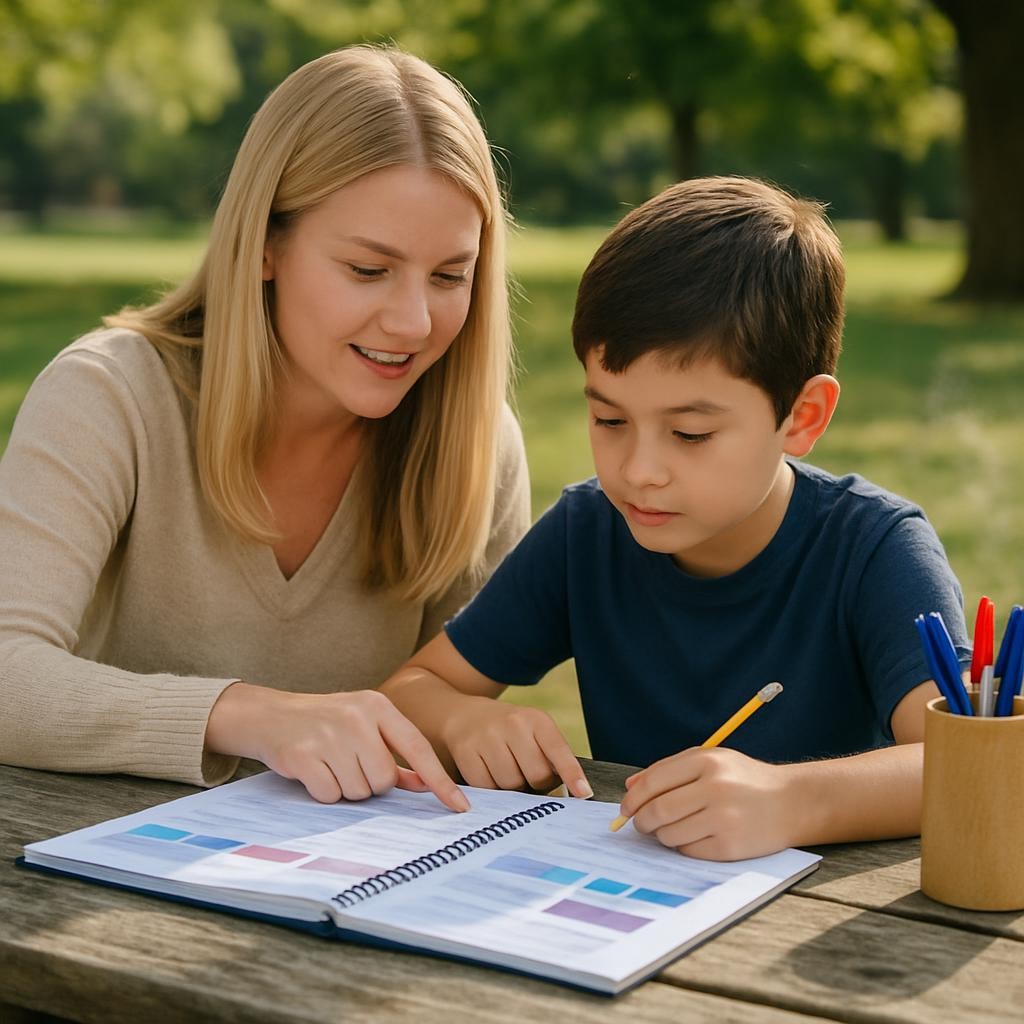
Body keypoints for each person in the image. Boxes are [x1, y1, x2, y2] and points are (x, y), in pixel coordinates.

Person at [0, 46, 531, 812]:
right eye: (368, 270)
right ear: (265, 247)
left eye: (450, 276)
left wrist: (466, 720)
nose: (415, 322)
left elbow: (427, 707)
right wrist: (251, 716)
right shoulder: (108, 397)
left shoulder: (479, 446)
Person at [380, 176, 970, 860]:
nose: (638, 470)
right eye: (608, 419)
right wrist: (462, 718)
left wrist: (788, 801)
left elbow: (967, 760)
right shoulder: (587, 533)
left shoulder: (875, 550)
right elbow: (411, 690)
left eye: (689, 433)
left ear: (802, 417)